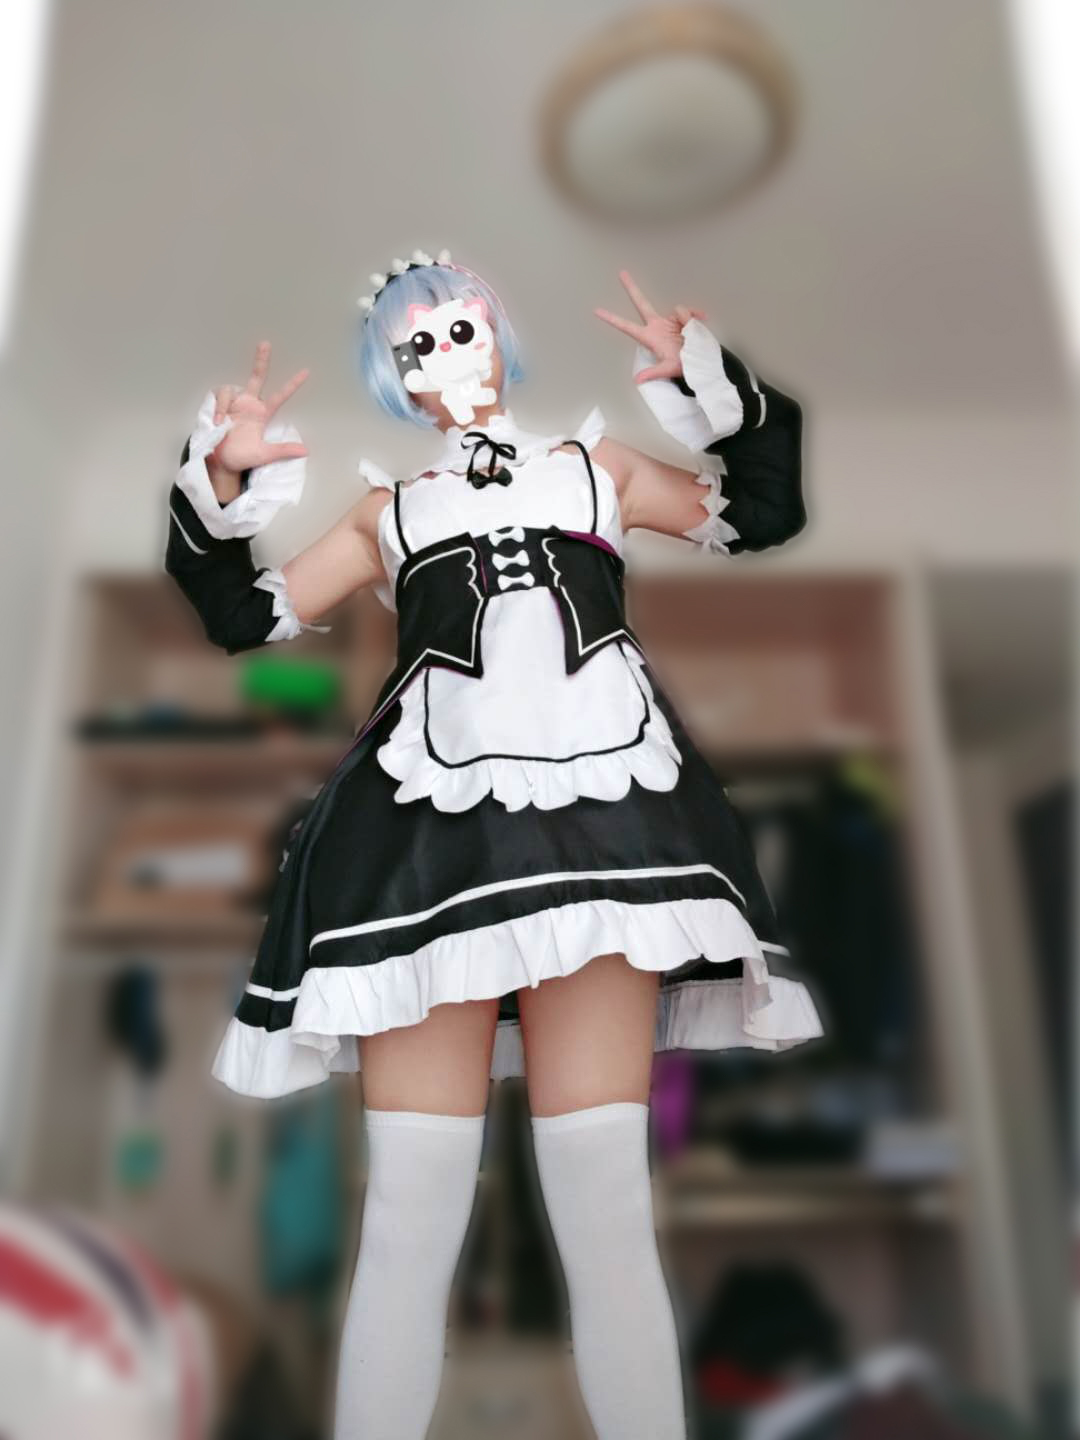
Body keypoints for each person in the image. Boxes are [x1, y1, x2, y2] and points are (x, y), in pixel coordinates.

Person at [165, 254, 822, 1440]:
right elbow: (241, 617)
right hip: (427, 841)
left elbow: (761, 514)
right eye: (412, 346)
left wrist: (713, 383)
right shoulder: (385, 512)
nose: (442, 355)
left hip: (606, 820)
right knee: (409, 1215)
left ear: (497, 332)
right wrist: (221, 476)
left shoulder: (599, 468)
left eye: (458, 327)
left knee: (605, 1207)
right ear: (397, 379)